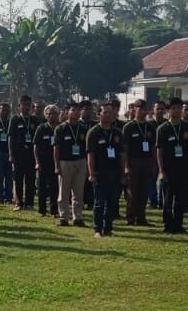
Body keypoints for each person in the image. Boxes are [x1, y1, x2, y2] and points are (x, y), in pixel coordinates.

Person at [157, 97, 188, 234]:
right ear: (169, 110)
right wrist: (161, 170)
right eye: (174, 108)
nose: (177, 110)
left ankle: (178, 224)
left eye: (179, 108)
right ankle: (168, 224)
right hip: (169, 168)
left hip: (184, 167)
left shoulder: (187, 127)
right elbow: (160, 151)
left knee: (181, 197)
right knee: (168, 197)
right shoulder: (163, 129)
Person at [87, 100, 125, 237]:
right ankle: (97, 229)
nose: (109, 115)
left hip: (114, 172)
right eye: (105, 112)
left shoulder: (117, 133)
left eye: (111, 112)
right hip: (99, 172)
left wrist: (123, 173)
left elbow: (122, 154)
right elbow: (90, 155)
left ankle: (108, 228)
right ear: (99, 114)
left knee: (112, 202)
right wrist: (91, 173)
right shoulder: (93, 132)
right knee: (99, 202)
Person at [53, 102, 88, 227]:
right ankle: (63, 217)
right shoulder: (61, 128)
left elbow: (87, 148)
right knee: (64, 192)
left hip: (80, 162)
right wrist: (57, 165)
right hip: (65, 162)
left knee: (78, 191)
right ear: (67, 112)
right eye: (74, 110)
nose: (77, 112)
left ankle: (78, 217)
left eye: (79, 110)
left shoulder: (83, 128)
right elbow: (56, 148)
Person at [122, 100, 155, 227]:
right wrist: (126, 165)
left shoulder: (150, 127)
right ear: (134, 109)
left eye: (144, 108)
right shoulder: (129, 127)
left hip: (146, 161)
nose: (142, 111)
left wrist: (154, 164)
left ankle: (141, 217)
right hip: (133, 162)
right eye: (139, 108)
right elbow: (125, 148)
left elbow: (153, 147)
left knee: (144, 191)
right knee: (132, 191)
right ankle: (131, 218)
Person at [9, 94, 40, 212]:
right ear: (19, 106)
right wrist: (11, 155)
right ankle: (18, 202)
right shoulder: (15, 119)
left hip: (31, 155)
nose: (27, 107)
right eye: (24, 105)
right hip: (18, 155)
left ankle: (30, 203)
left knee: (30, 180)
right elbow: (11, 138)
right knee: (18, 179)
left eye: (29, 105)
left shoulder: (35, 120)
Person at [33, 104, 61, 218]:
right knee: (42, 187)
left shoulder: (60, 128)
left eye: (54, 113)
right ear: (46, 115)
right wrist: (37, 162)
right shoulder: (41, 128)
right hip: (43, 162)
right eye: (49, 114)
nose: (51, 116)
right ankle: (42, 210)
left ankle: (54, 210)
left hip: (57, 163)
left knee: (55, 187)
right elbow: (36, 146)